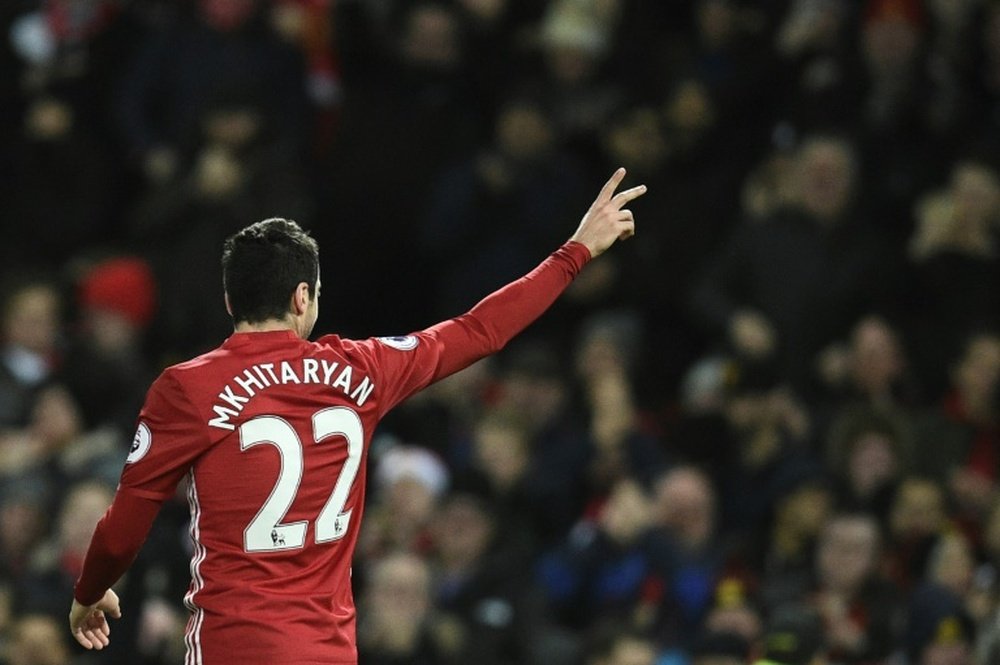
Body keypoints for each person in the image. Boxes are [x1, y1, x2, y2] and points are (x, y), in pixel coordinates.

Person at [67, 167, 646, 663]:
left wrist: (91, 589)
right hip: (328, 651)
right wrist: (575, 252)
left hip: (233, 645)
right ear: (303, 297)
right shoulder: (363, 373)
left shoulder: (188, 388)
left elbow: (123, 529)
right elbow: (480, 330)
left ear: (230, 301)